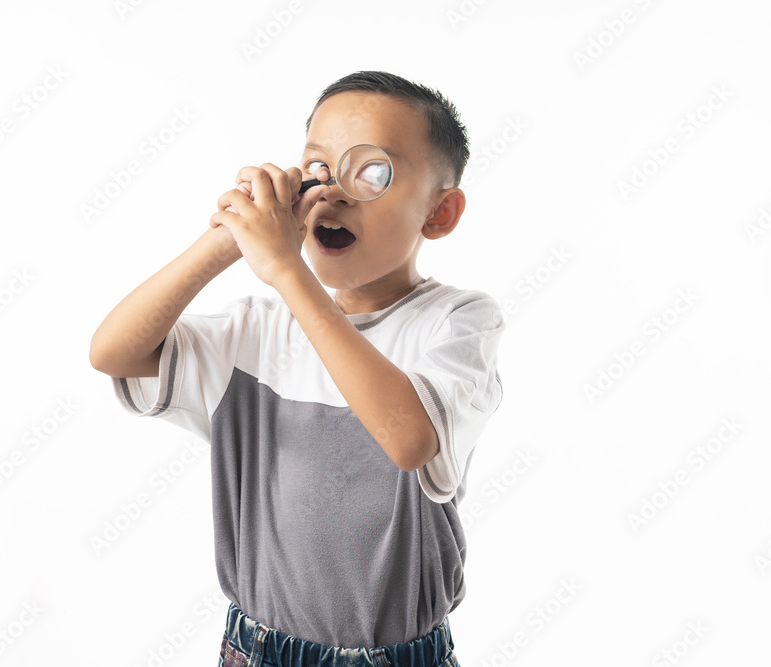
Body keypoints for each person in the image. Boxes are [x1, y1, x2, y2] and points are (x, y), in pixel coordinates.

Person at [90, 70, 506, 667]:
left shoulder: (458, 321)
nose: (333, 192)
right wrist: (230, 239)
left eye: (372, 172)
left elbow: (410, 439)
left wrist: (288, 270)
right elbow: (113, 352)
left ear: (439, 213)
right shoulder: (257, 329)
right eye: (317, 168)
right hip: (254, 648)